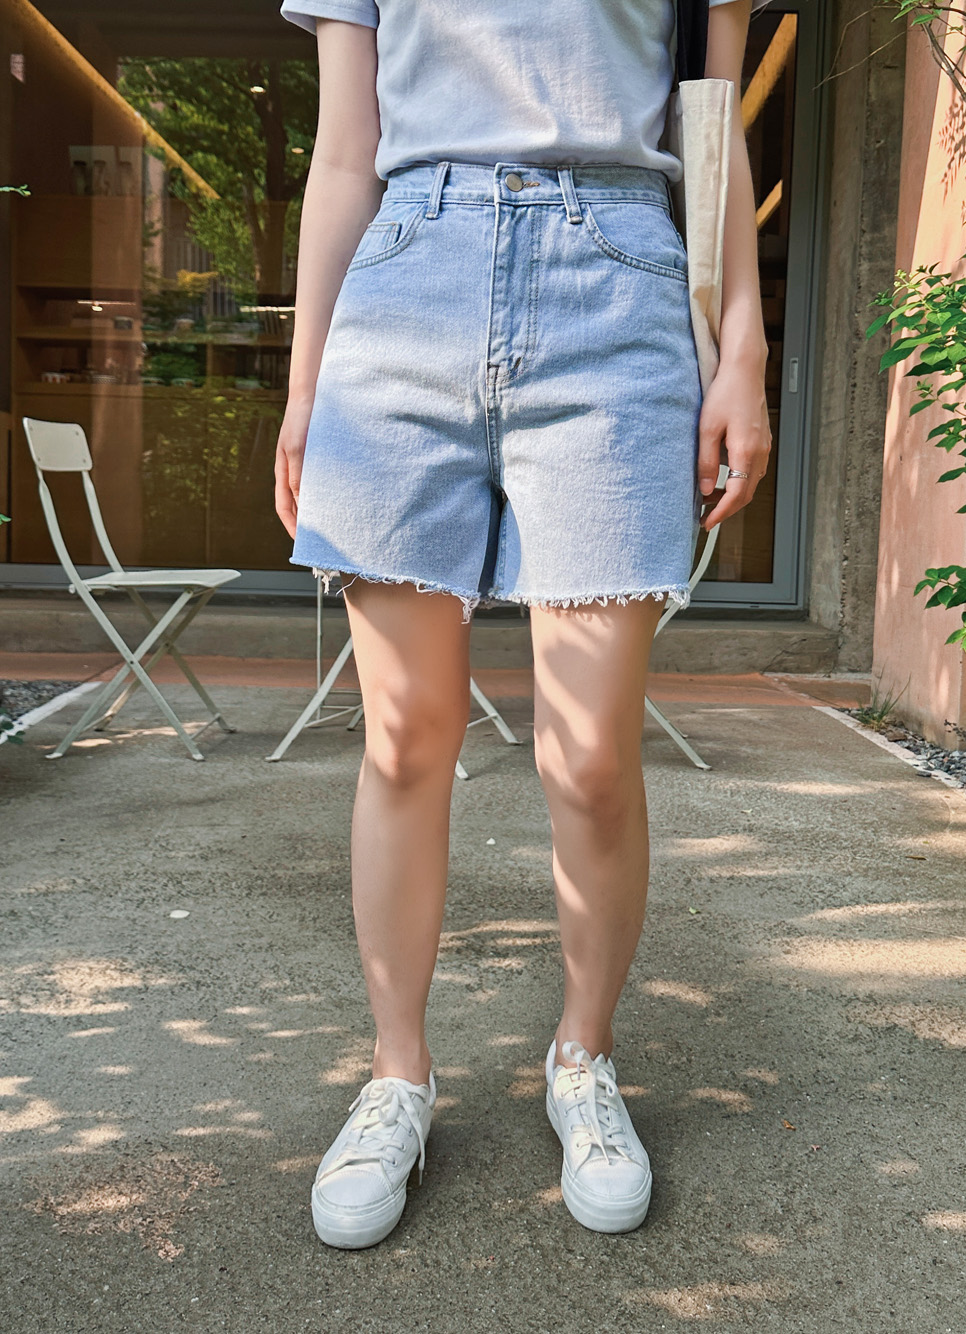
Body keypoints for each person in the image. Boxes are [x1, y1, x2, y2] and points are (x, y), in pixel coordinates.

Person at [274, 0, 772, 1248]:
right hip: (408, 280)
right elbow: (343, 150)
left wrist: (744, 351)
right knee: (403, 734)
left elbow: (711, 127)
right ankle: (396, 1072)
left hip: (615, 285)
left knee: (590, 755)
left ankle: (581, 1056)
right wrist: (305, 384)